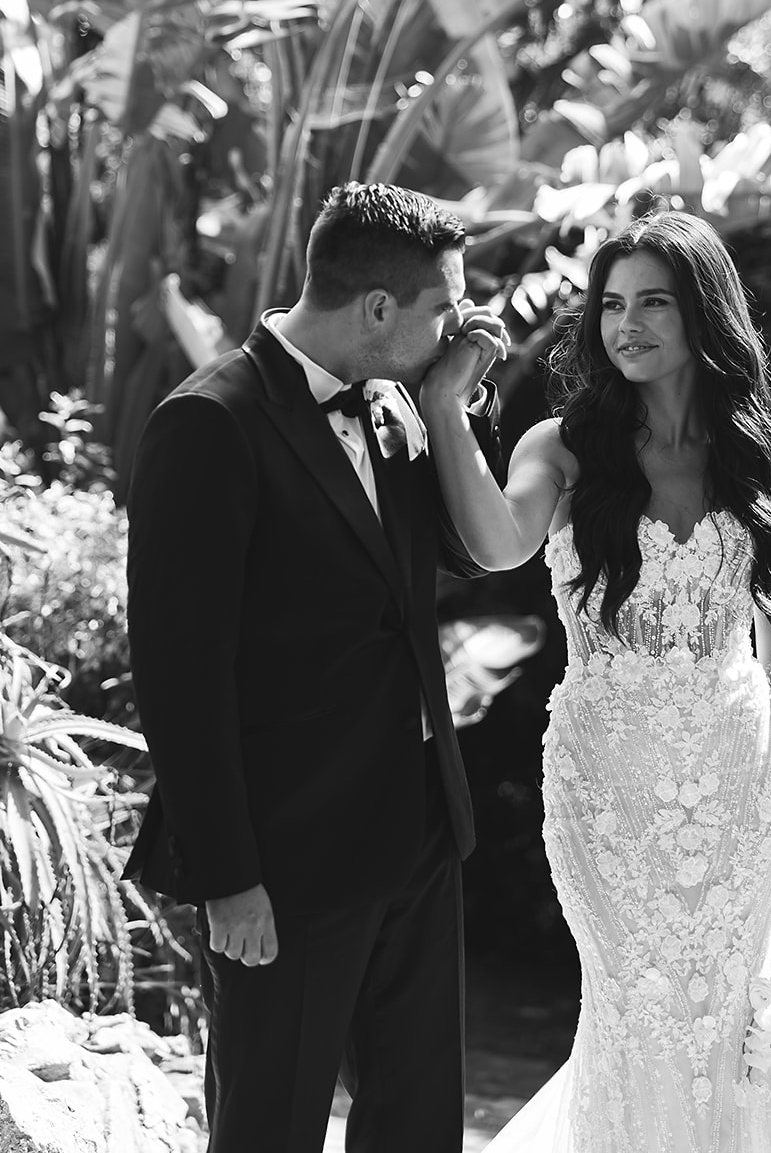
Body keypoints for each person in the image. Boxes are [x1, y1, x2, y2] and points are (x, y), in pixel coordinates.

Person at [420, 209, 771, 1153]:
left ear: (704, 313)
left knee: (724, 1019)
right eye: (612, 305)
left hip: (739, 787)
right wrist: (448, 410)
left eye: (654, 301)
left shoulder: (764, 465)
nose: (627, 324)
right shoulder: (561, 446)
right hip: (605, 785)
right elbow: (494, 544)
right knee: (630, 1007)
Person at [123, 181, 508, 1153]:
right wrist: (228, 876)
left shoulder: (396, 404)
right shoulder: (208, 423)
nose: (460, 324)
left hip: (419, 828)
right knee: (269, 1125)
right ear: (377, 310)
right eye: (444, 310)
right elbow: (179, 674)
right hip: (285, 859)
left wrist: (450, 399)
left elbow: (462, 555)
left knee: (419, 1127)